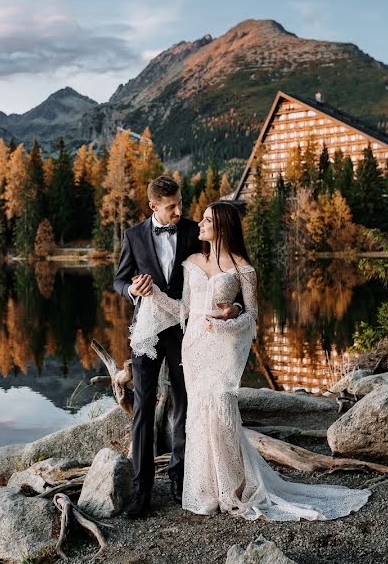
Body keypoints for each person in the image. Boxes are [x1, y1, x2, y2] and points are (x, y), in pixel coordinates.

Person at [130, 201, 370, 520]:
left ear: (223, 227)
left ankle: (236, 487)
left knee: (223, 410)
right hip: (195, 348)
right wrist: (153, 296)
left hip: (222, 347)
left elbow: (253, 314)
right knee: (198, 416)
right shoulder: (192, 263)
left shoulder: (244, 268)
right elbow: (183, 311)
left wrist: (235, 313)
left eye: (206, 220)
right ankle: (206, 489)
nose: (198, 223)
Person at [113, 176, 238, 518]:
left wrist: (235, 307)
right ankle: (141, 493)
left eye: (181, 203)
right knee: (142, 410)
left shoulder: (191, 232)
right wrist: (131, 291)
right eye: (172, 207)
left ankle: (181, 479)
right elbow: (119, 280)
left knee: (185, 405)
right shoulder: (133, 236)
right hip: (148, 332)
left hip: (186, 330)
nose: (180, 211)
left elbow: (219, 270)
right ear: (153, 206)